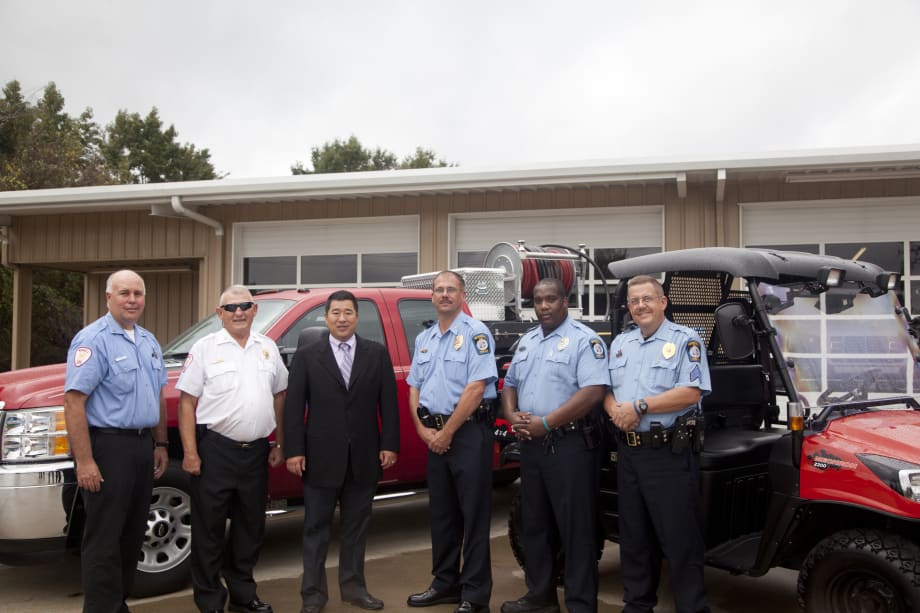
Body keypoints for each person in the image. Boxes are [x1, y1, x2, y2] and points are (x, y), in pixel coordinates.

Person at [283, 290, 400, 613]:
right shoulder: (307, 355)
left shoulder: (376, 354)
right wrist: (294, 450)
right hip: (319, 458)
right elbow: (293, 407)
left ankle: (354, 588)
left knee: (356, 529)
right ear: (325, 316)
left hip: (364, 457)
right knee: (315, 530)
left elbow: (388, 404)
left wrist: (389, 444)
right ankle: (313, 596)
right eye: (335, 312)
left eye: (348, 312)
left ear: (357, 317)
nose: (342, 318)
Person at [176, 285, 288, 613]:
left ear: (254, 310)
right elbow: (187, 402)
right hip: (215, 451)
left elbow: (280, 394)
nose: (238, 312)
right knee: (209, 530)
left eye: (244, 306)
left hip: (255, 453)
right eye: (231, 308)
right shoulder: (205, 348)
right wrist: (191, 452)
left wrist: (280, 442)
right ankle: (210, 600)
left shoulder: (267, 347)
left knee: (249, 528)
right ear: (219, 313)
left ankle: (243, 595)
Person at [604, 275, 712, 613]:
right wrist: (616, 413)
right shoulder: (621, 343)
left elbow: (690, 392)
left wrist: (639, 407)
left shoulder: (685, 340)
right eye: (634, 301)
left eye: (647, 299)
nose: (641, 306)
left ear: (663, 302)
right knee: (634, 538)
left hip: (668, 454)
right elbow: (606, 390)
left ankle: (692, 608)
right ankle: (637, 605)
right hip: (629, 451)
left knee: (680, 539)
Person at [63, 269, 169, 613]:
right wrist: (85, 460)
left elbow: (156, 394)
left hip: (140, 448)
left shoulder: (148, 341)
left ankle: (116, 605)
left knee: (131, 534)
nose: (132, 300)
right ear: (108, 297)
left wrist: (161, 444)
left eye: (138, 293)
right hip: (108, 448)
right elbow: (74, 401)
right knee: (104, 538)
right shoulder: (92, 341)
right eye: (124, 293)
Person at [501, 278, 608, 613]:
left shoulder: (584, 341)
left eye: (550, 300)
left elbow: (593, 392)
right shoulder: (528, 341)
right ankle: (540, 597)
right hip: (532, 446)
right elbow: (510, 383)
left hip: (569, 446)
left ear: (566, 301)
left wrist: (547, 423)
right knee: (535, 524)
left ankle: (580, 604)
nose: (543, 306)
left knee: (576, 530)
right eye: (538, 300)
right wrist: (512, 415)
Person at [406, 271, 498, 613]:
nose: (444, 295)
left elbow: (477, 388)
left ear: (462, 295)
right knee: (442, 515)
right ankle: (445, 583)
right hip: (434, 435)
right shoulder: (426, 338)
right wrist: (422, 429)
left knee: (473, 516)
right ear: (432, 296)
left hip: (468, 434)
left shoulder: (476, 333)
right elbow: (414, 385)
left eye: (451, 290)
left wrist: (447, 432)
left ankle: (474, 594)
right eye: (439, 290)